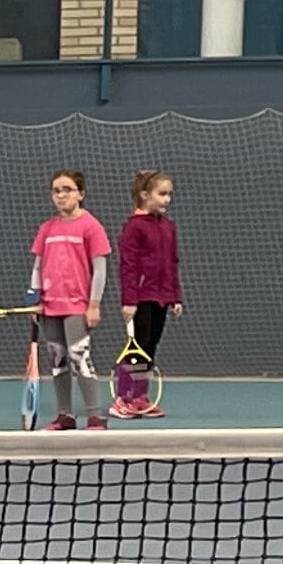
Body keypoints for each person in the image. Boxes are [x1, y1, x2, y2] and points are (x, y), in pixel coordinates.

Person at [29, 166, 113, 430]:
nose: (61, 195)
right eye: (56, 191)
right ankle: (65, 415)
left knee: (80, 358)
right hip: (50, 306)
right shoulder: (47, 228)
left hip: (78, 306)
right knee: (58, 360)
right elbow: (38, 267)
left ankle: (95, 416)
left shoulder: (91, 226)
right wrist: (34, 299)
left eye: (67, 190)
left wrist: (94, 304)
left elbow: (100, 268)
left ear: (81, 194)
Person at [115, 169, 183, 417]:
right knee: (137, 349)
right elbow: (128, 266)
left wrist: (175, 296)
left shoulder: (168, 226)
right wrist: (130, 300)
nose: (167, 199)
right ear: (145, 195)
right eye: (162, 194)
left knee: (150, 348)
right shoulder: (133, 228)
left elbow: (172, 263)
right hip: (141, 298)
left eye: (169, 195)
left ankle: (140, 397)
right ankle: (122, 398)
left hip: (161, 298)